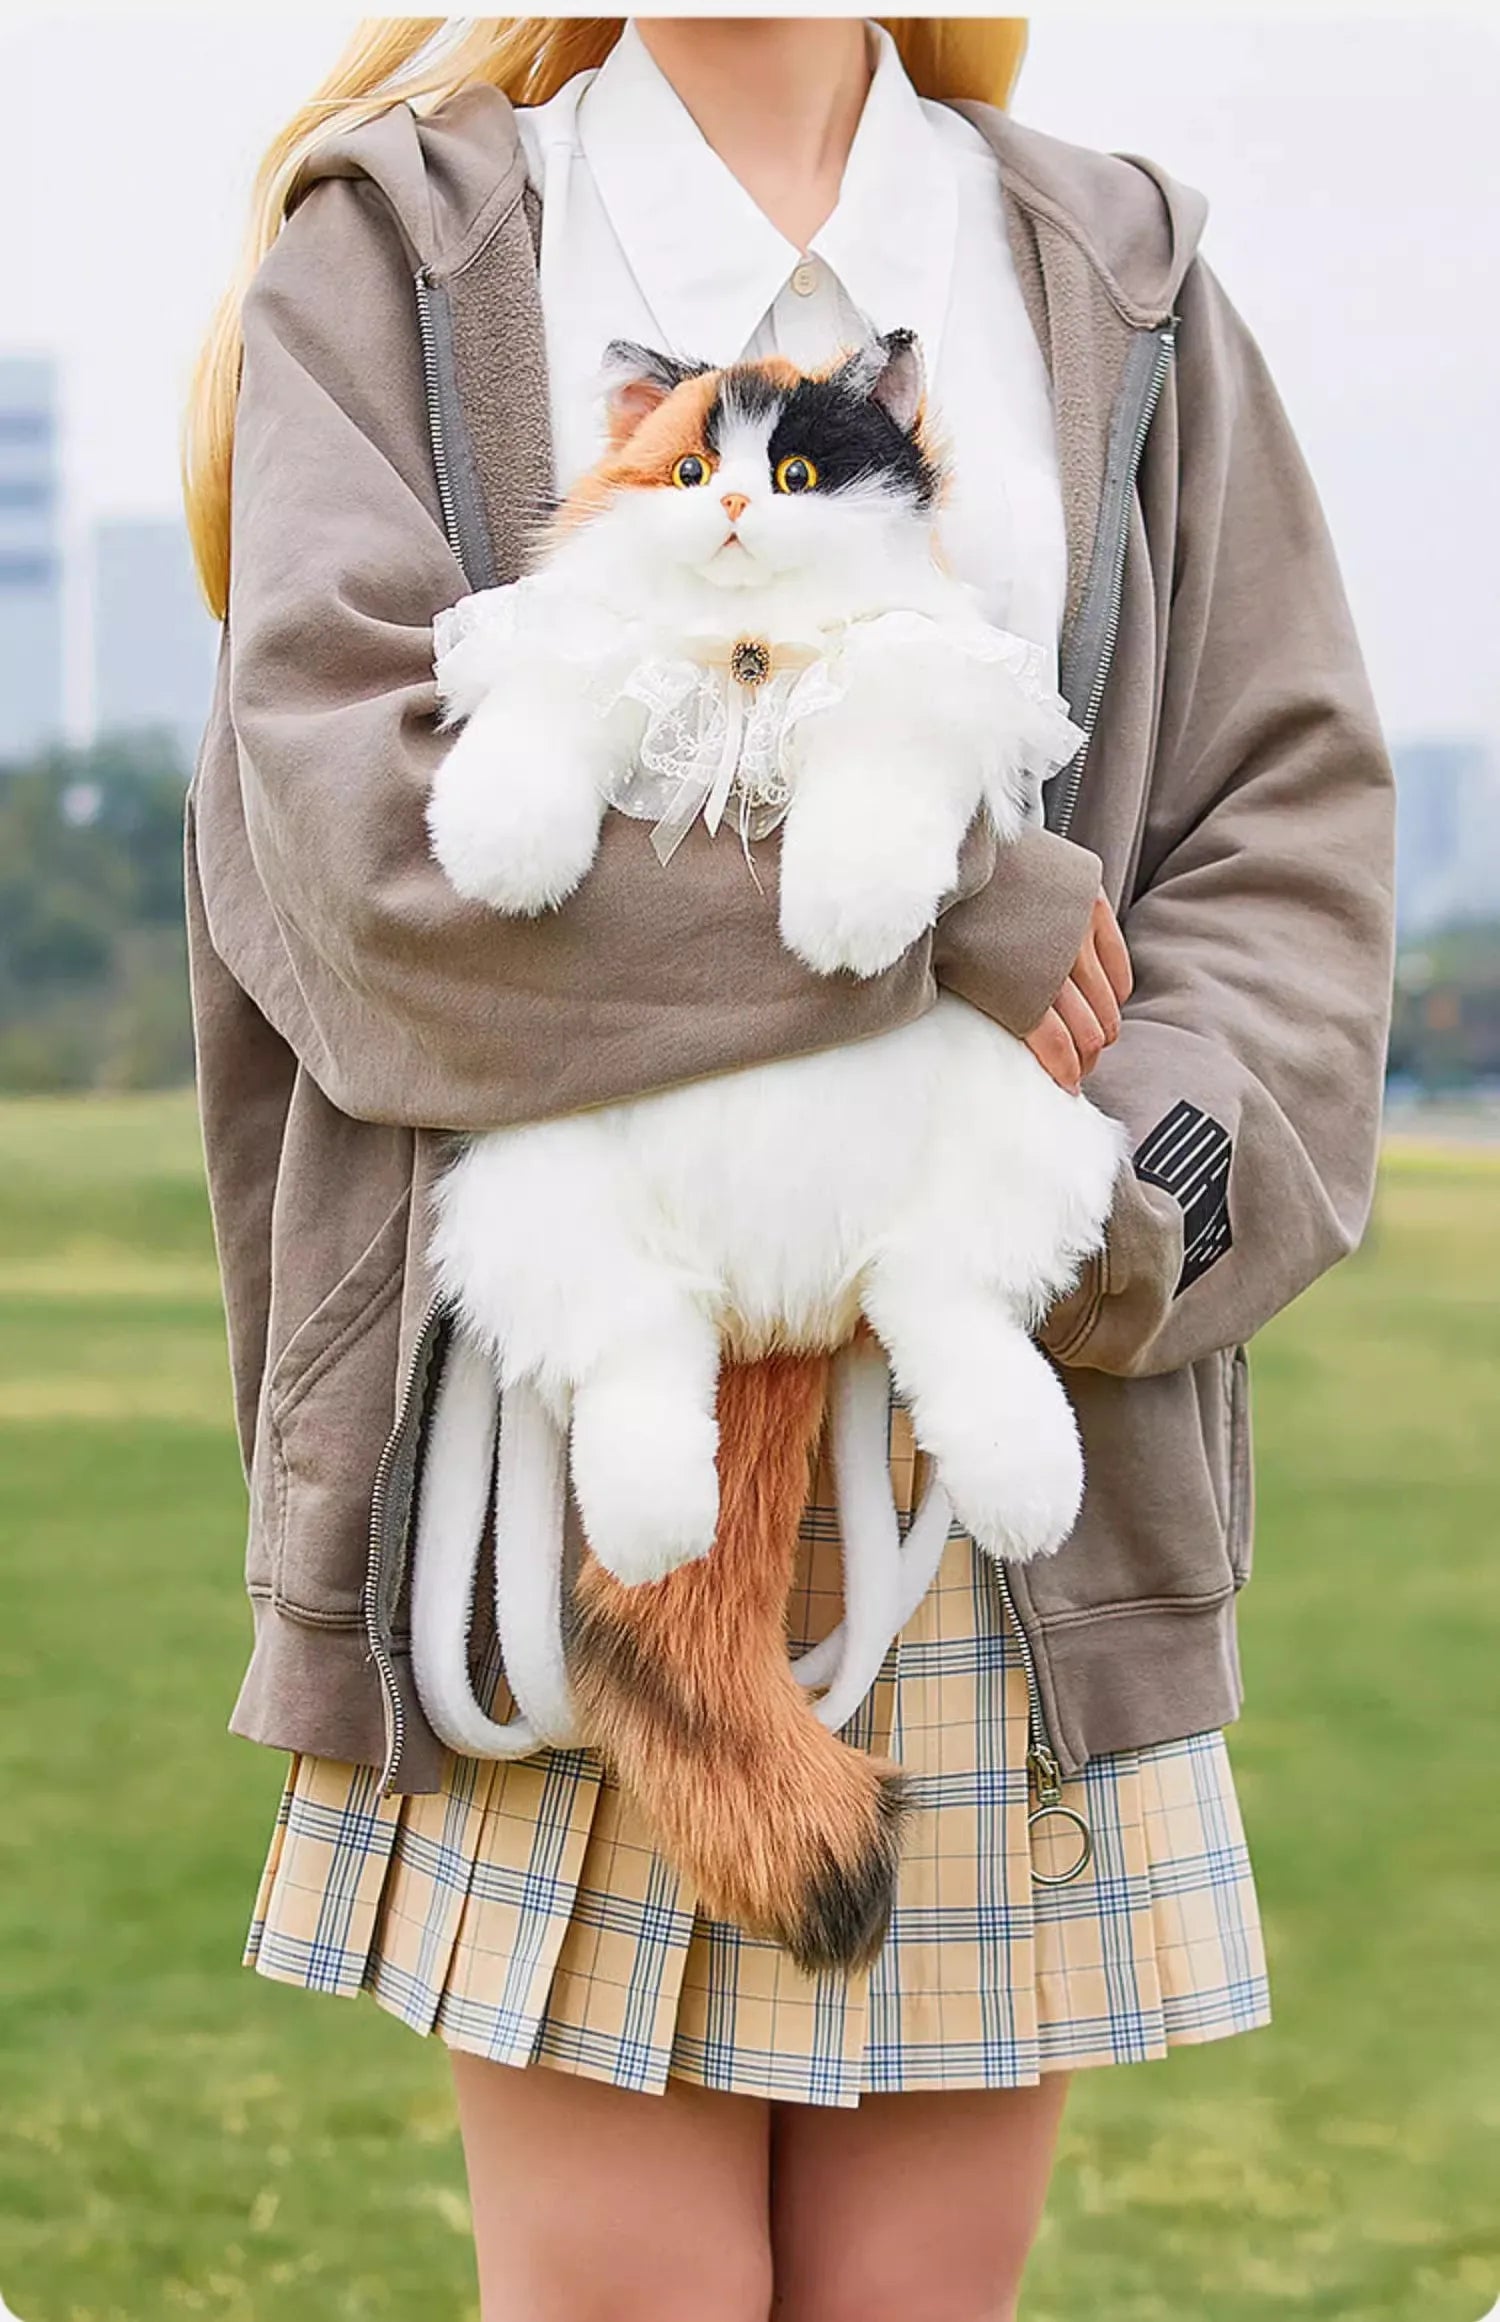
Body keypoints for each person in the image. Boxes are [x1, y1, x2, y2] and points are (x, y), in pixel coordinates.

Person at [182, 17, 1394, 2319]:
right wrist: (939, 915)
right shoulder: (412, 243)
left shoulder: (1110, 267)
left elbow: (1289, 841)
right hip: (561, 1464)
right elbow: (349, 868)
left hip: (1009, 1481)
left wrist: (1106, 1204)